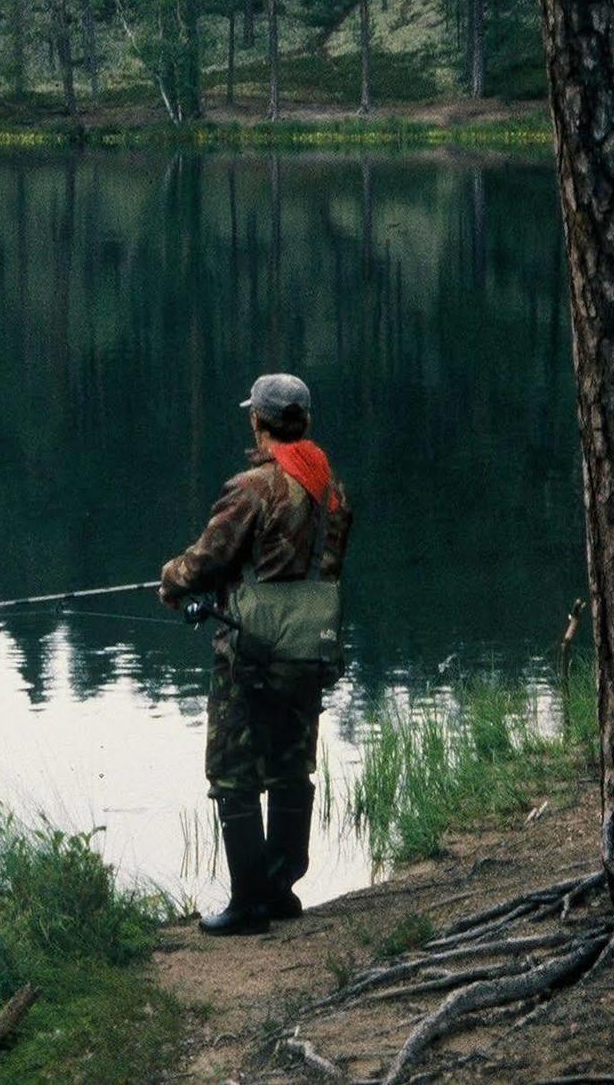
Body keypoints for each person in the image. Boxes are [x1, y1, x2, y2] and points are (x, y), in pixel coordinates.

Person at [159, 372, 352, 935]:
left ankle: (248, 903)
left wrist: (171, 581)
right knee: (292, 765)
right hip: (311, 645)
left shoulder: (252, 488)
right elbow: (323, 570)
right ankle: (281, 887)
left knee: (233, 771)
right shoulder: (331, 487)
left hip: (252, 650)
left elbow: (206, 562)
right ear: (305, 423)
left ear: (258, 421)